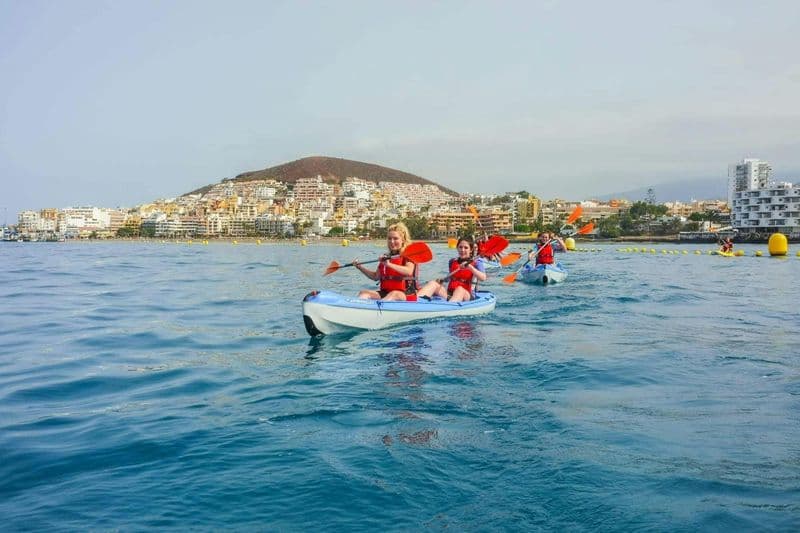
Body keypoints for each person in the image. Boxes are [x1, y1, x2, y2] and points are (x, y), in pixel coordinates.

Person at [353, 222, 419, 301]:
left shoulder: (409, 255)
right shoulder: (386, 257)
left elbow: (409, 272)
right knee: (364, 293)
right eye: (389, 238)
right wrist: (360, 267)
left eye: (395, 238)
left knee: (394, 294)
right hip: (386, 292)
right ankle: (359, 309)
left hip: (406, 294)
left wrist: (389, 264)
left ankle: (380, 309)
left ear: (403, 240)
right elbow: (375, 277)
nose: (392, 241)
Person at [416, 236, 487, 302]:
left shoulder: (477, 263)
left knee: (459, 289)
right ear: (457, 248)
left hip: (467, 295)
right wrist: (442, 280)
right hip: (450, 293)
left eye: (466, 248)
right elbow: (451, 277)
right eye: (460, 247)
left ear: (471, 250)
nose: (462, 250)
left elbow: (483, 278)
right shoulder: (452, 261)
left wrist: (470, 268)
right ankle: (415, 303)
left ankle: (449, 308)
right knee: (433, 283)